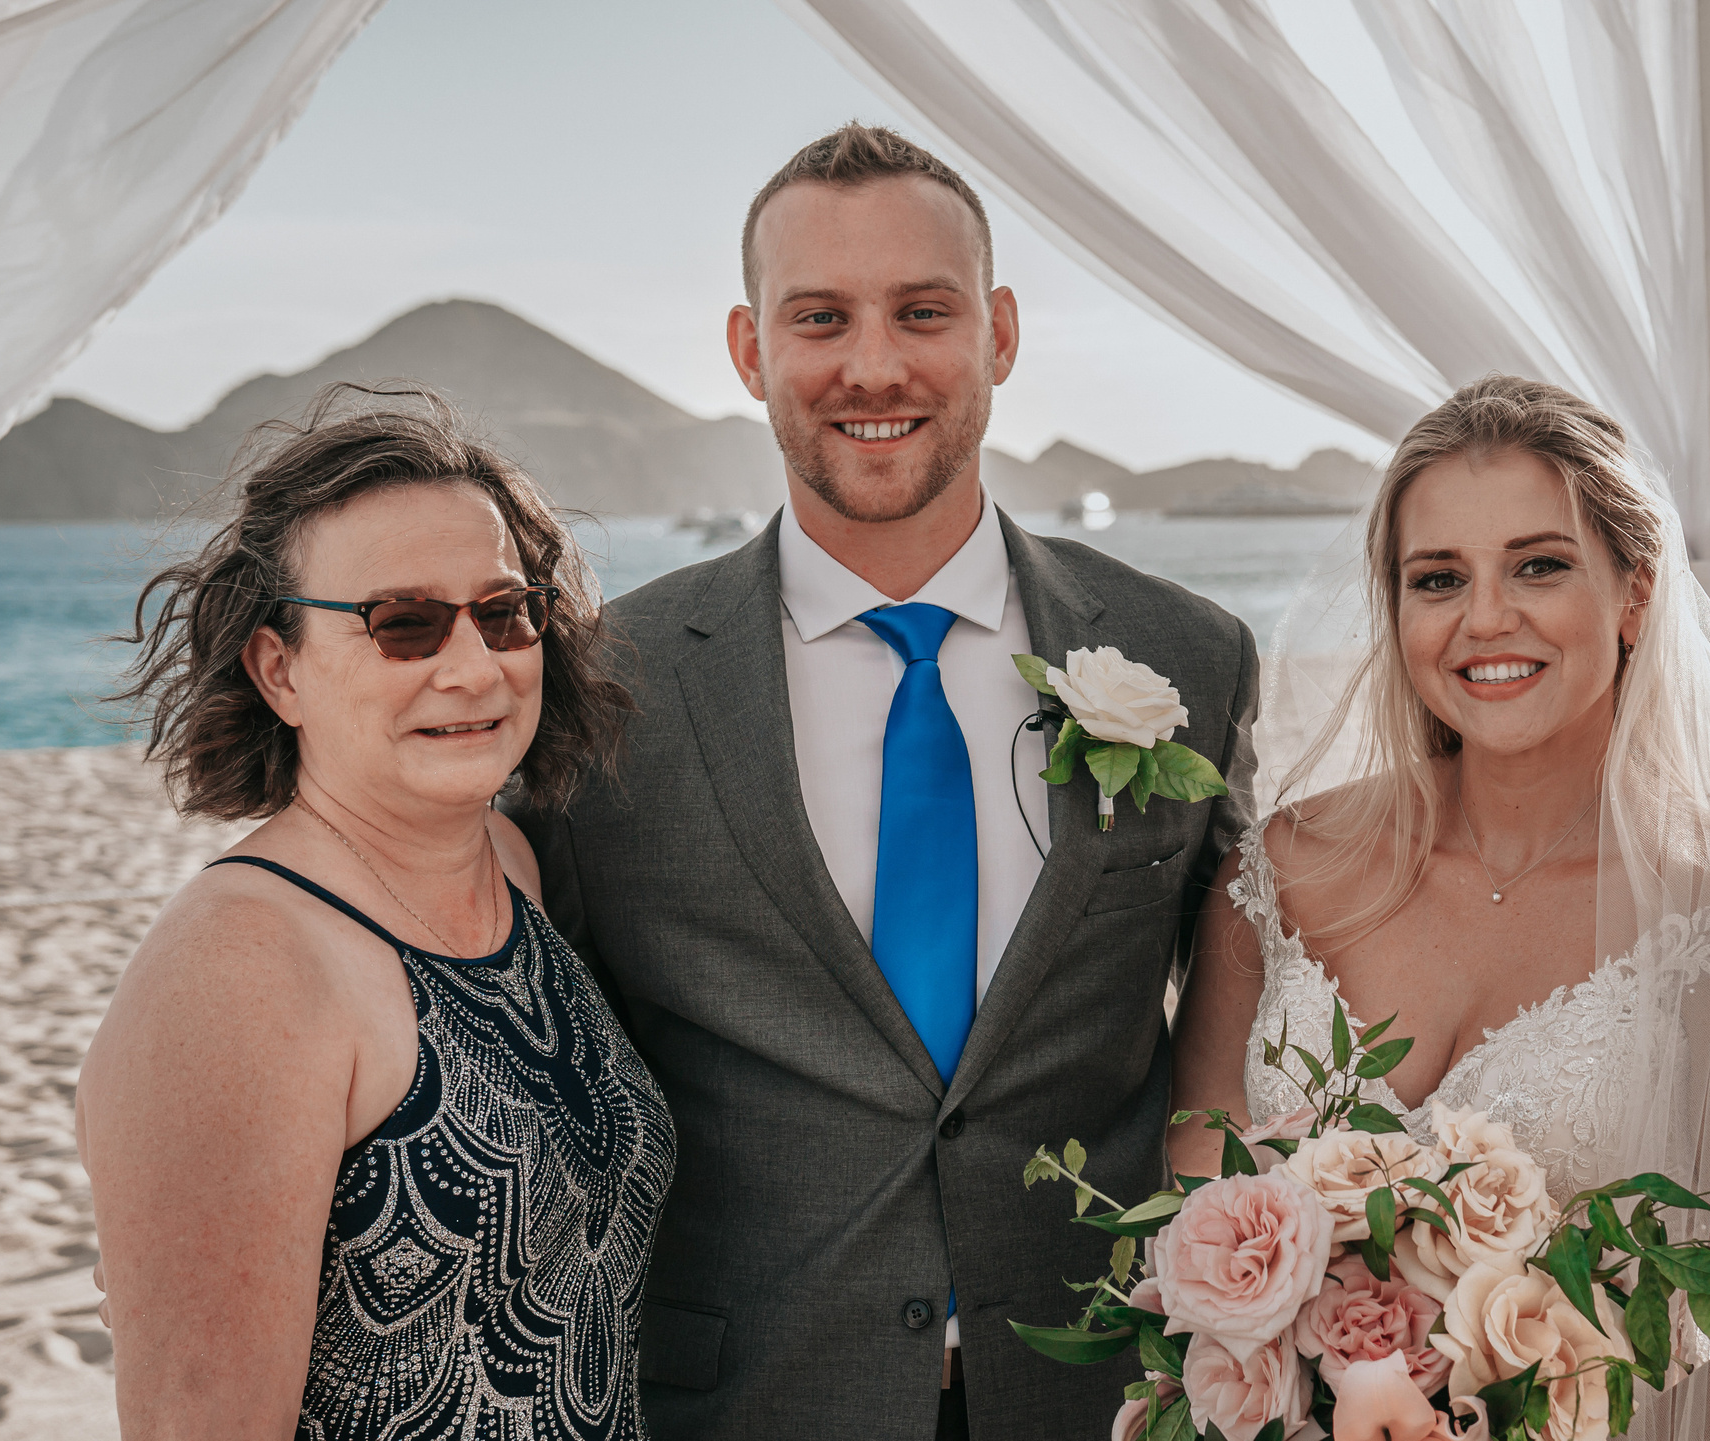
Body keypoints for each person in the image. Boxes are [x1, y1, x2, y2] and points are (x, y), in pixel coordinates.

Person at [507, 124, 1257, 1441]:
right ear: (749, 350)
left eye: (923, 311)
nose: (873, 364)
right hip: (746, 1404)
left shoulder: (1190, 654)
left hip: (1108, 1399)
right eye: (820, 317)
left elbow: (1234, 1037)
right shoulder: (601, 687)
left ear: (1000, 333)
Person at [1172, 374, 1710, 1440]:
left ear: (1635, 590)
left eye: (1538, 565)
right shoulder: (1283, 868)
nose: (1484, 619)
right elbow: (1190, 1201)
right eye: (1437, 578)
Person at [77, 386, 673, 1439]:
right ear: (279, 669)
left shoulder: (508, 861)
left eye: (503, 612)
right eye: (402, 624)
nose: (473, 665)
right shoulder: (242, 965)